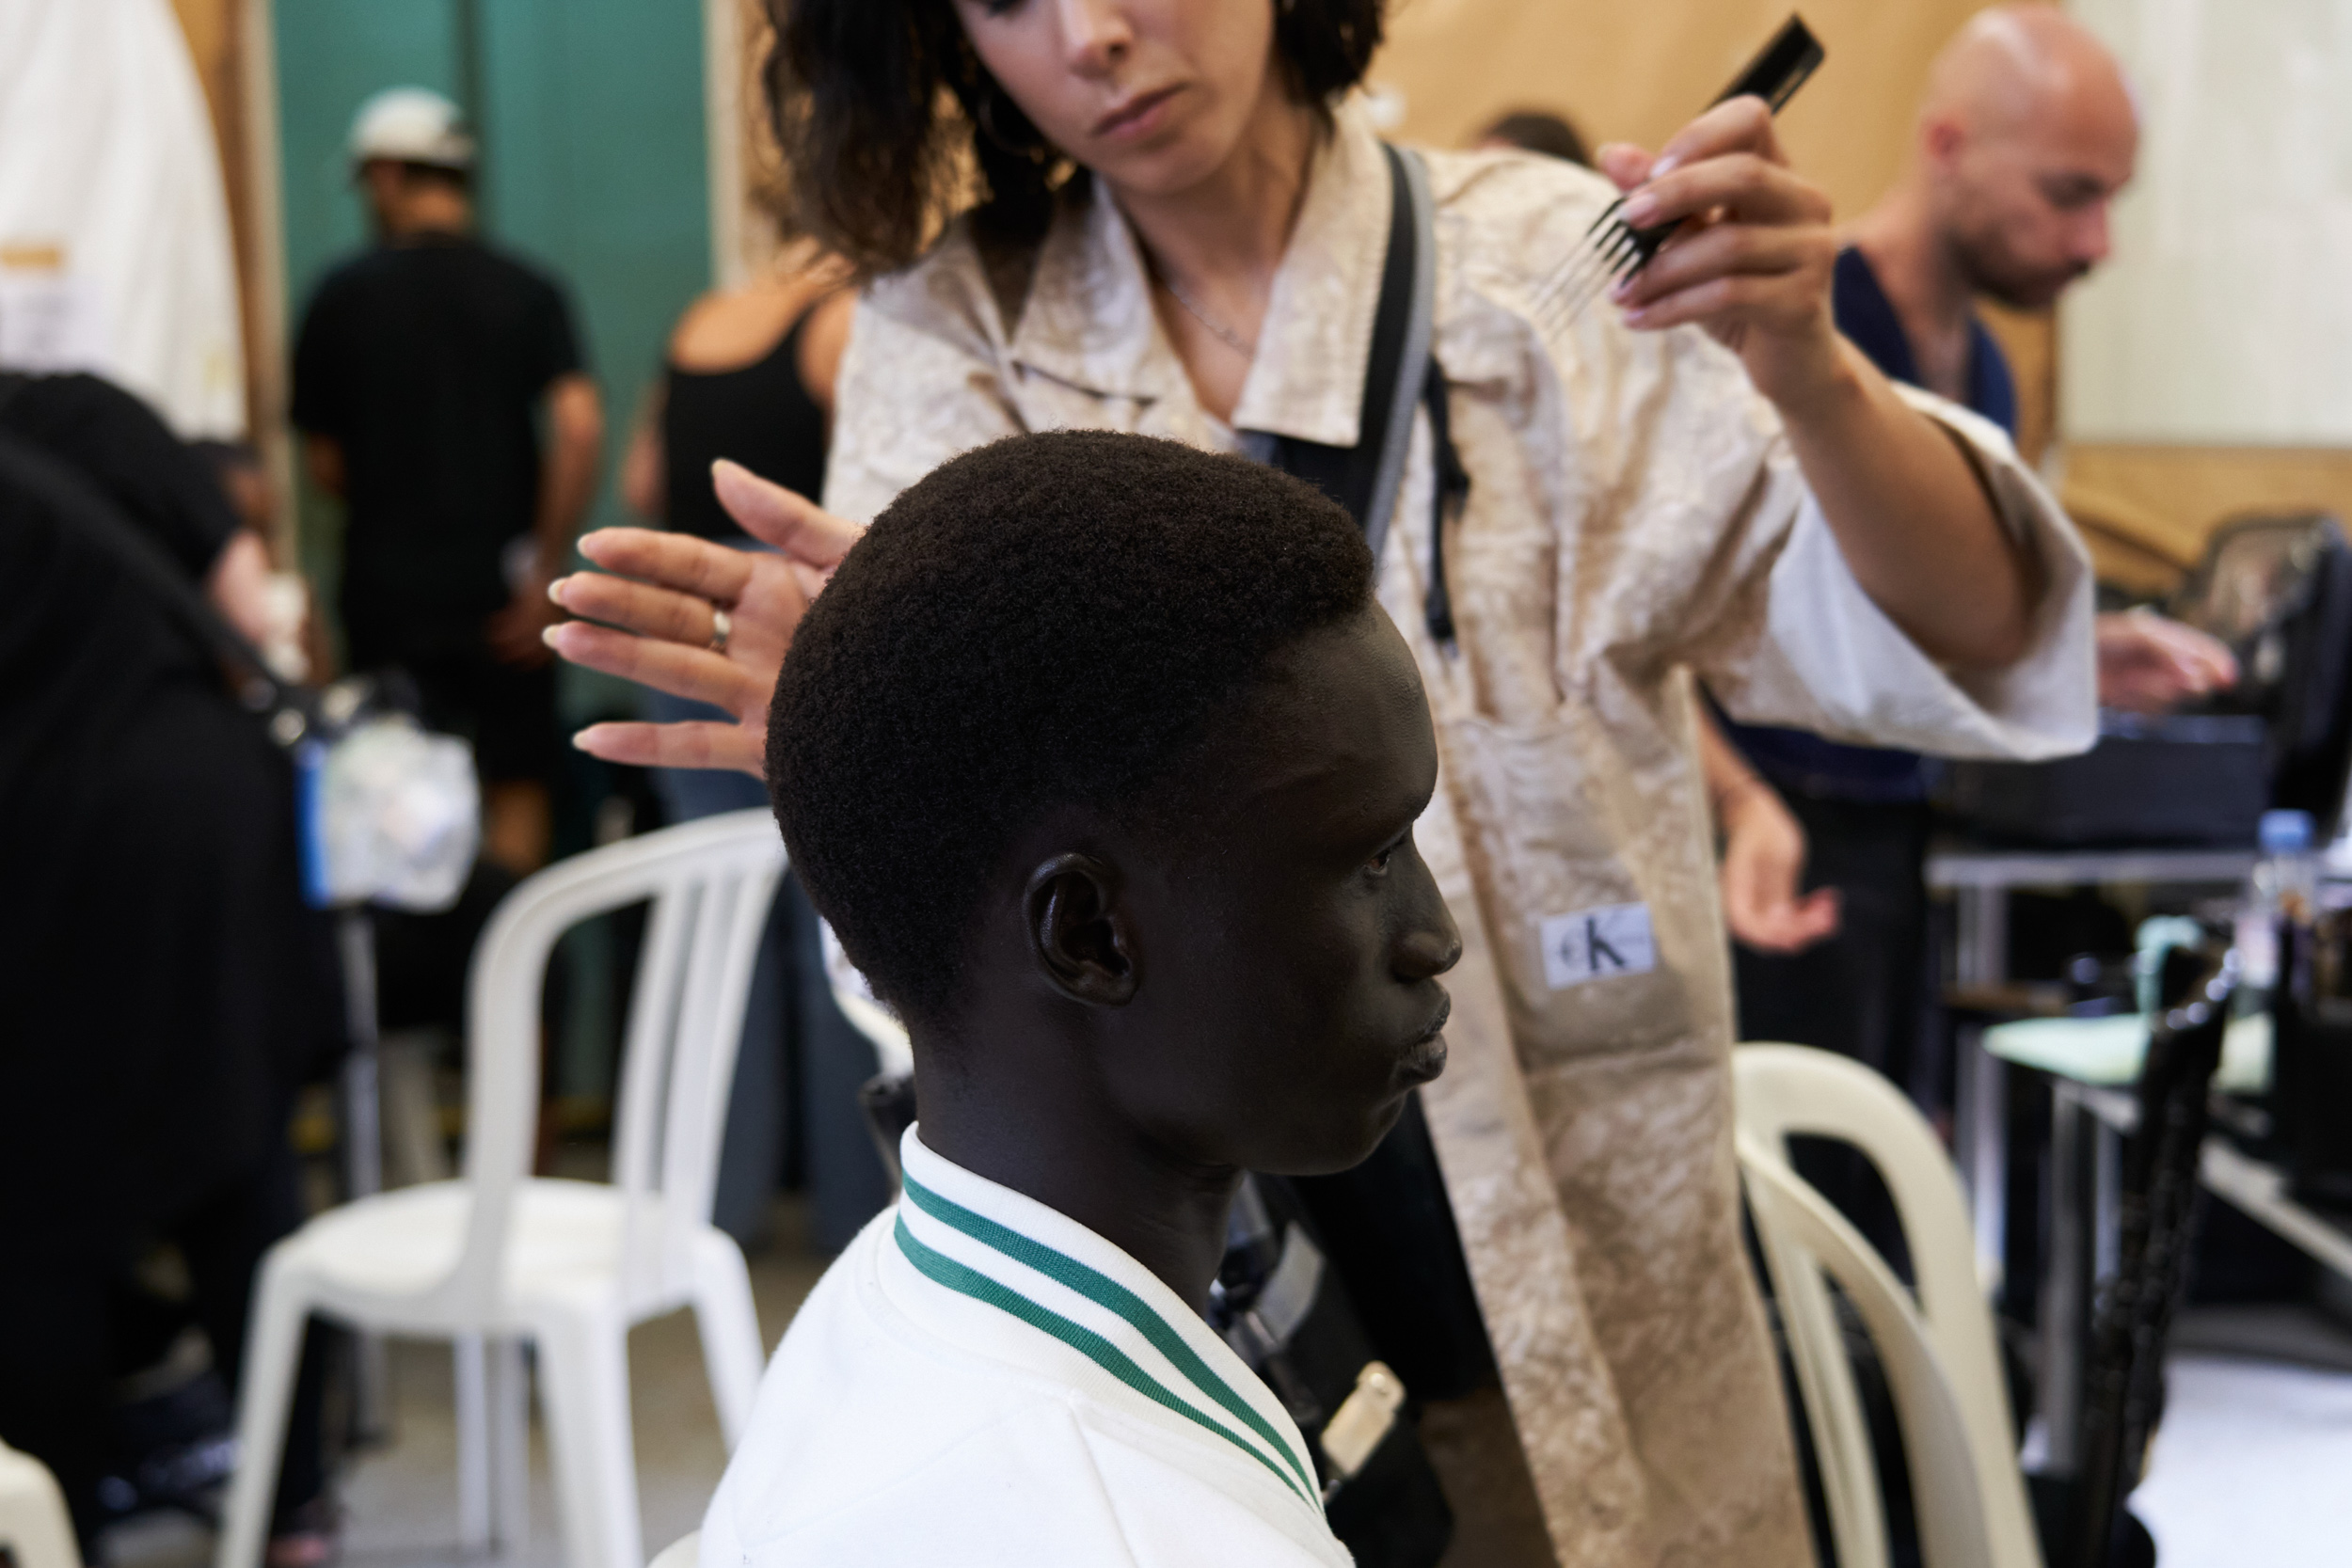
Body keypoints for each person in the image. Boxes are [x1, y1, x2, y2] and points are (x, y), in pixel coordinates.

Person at [548, 2, 2101, 1560]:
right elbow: (967, 970)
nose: (1093, 34)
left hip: (1614, 1261)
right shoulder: (959, 332)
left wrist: (1812, 370)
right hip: (1241, 1327)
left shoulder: (1553, 271)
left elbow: (1974, 637)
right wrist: (886, 756)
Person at [704, 430, 1452, 1565]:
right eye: (1367, 858)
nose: (1433, 934)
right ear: (1089, 935)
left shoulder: (875, 1305)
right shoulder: (1139, 1531)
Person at [1708, 8, 2236, 1090]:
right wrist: (1730, 808)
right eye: (2067, 193)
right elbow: (1671, 615)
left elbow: (1904, 624)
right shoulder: (1796, 329)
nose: (2096, 245)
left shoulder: (1987, 372)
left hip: (1895, 851)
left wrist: (2070, 648)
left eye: (2108, 201)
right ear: (1949, 148)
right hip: (1761, 858)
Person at [0, 372, 341, 1565]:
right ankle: (295, 1509)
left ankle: (55, 1517)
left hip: (41, 833)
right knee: (241, 1160)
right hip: (205, 808)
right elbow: (252, 609)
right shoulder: (87, 409)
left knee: (35, 1197)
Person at [615, 253, 886, 1250]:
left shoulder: (703, 316)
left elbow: (642, 476)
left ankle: (709, 1205)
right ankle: (854, 1214)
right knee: (829, 929)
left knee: (713, 923)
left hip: (681, 622)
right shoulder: (844, 323)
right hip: (792, 629)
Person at [292, 87, 603, 875]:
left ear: (388, 174)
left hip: (388, 593)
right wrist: (543, 567)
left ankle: (415, 991)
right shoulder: (529, 289)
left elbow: (324, 466)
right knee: (519, 789)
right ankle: (514, 989)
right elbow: (579, 425)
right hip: (503, 598)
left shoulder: (339, 296)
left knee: (393, 792)